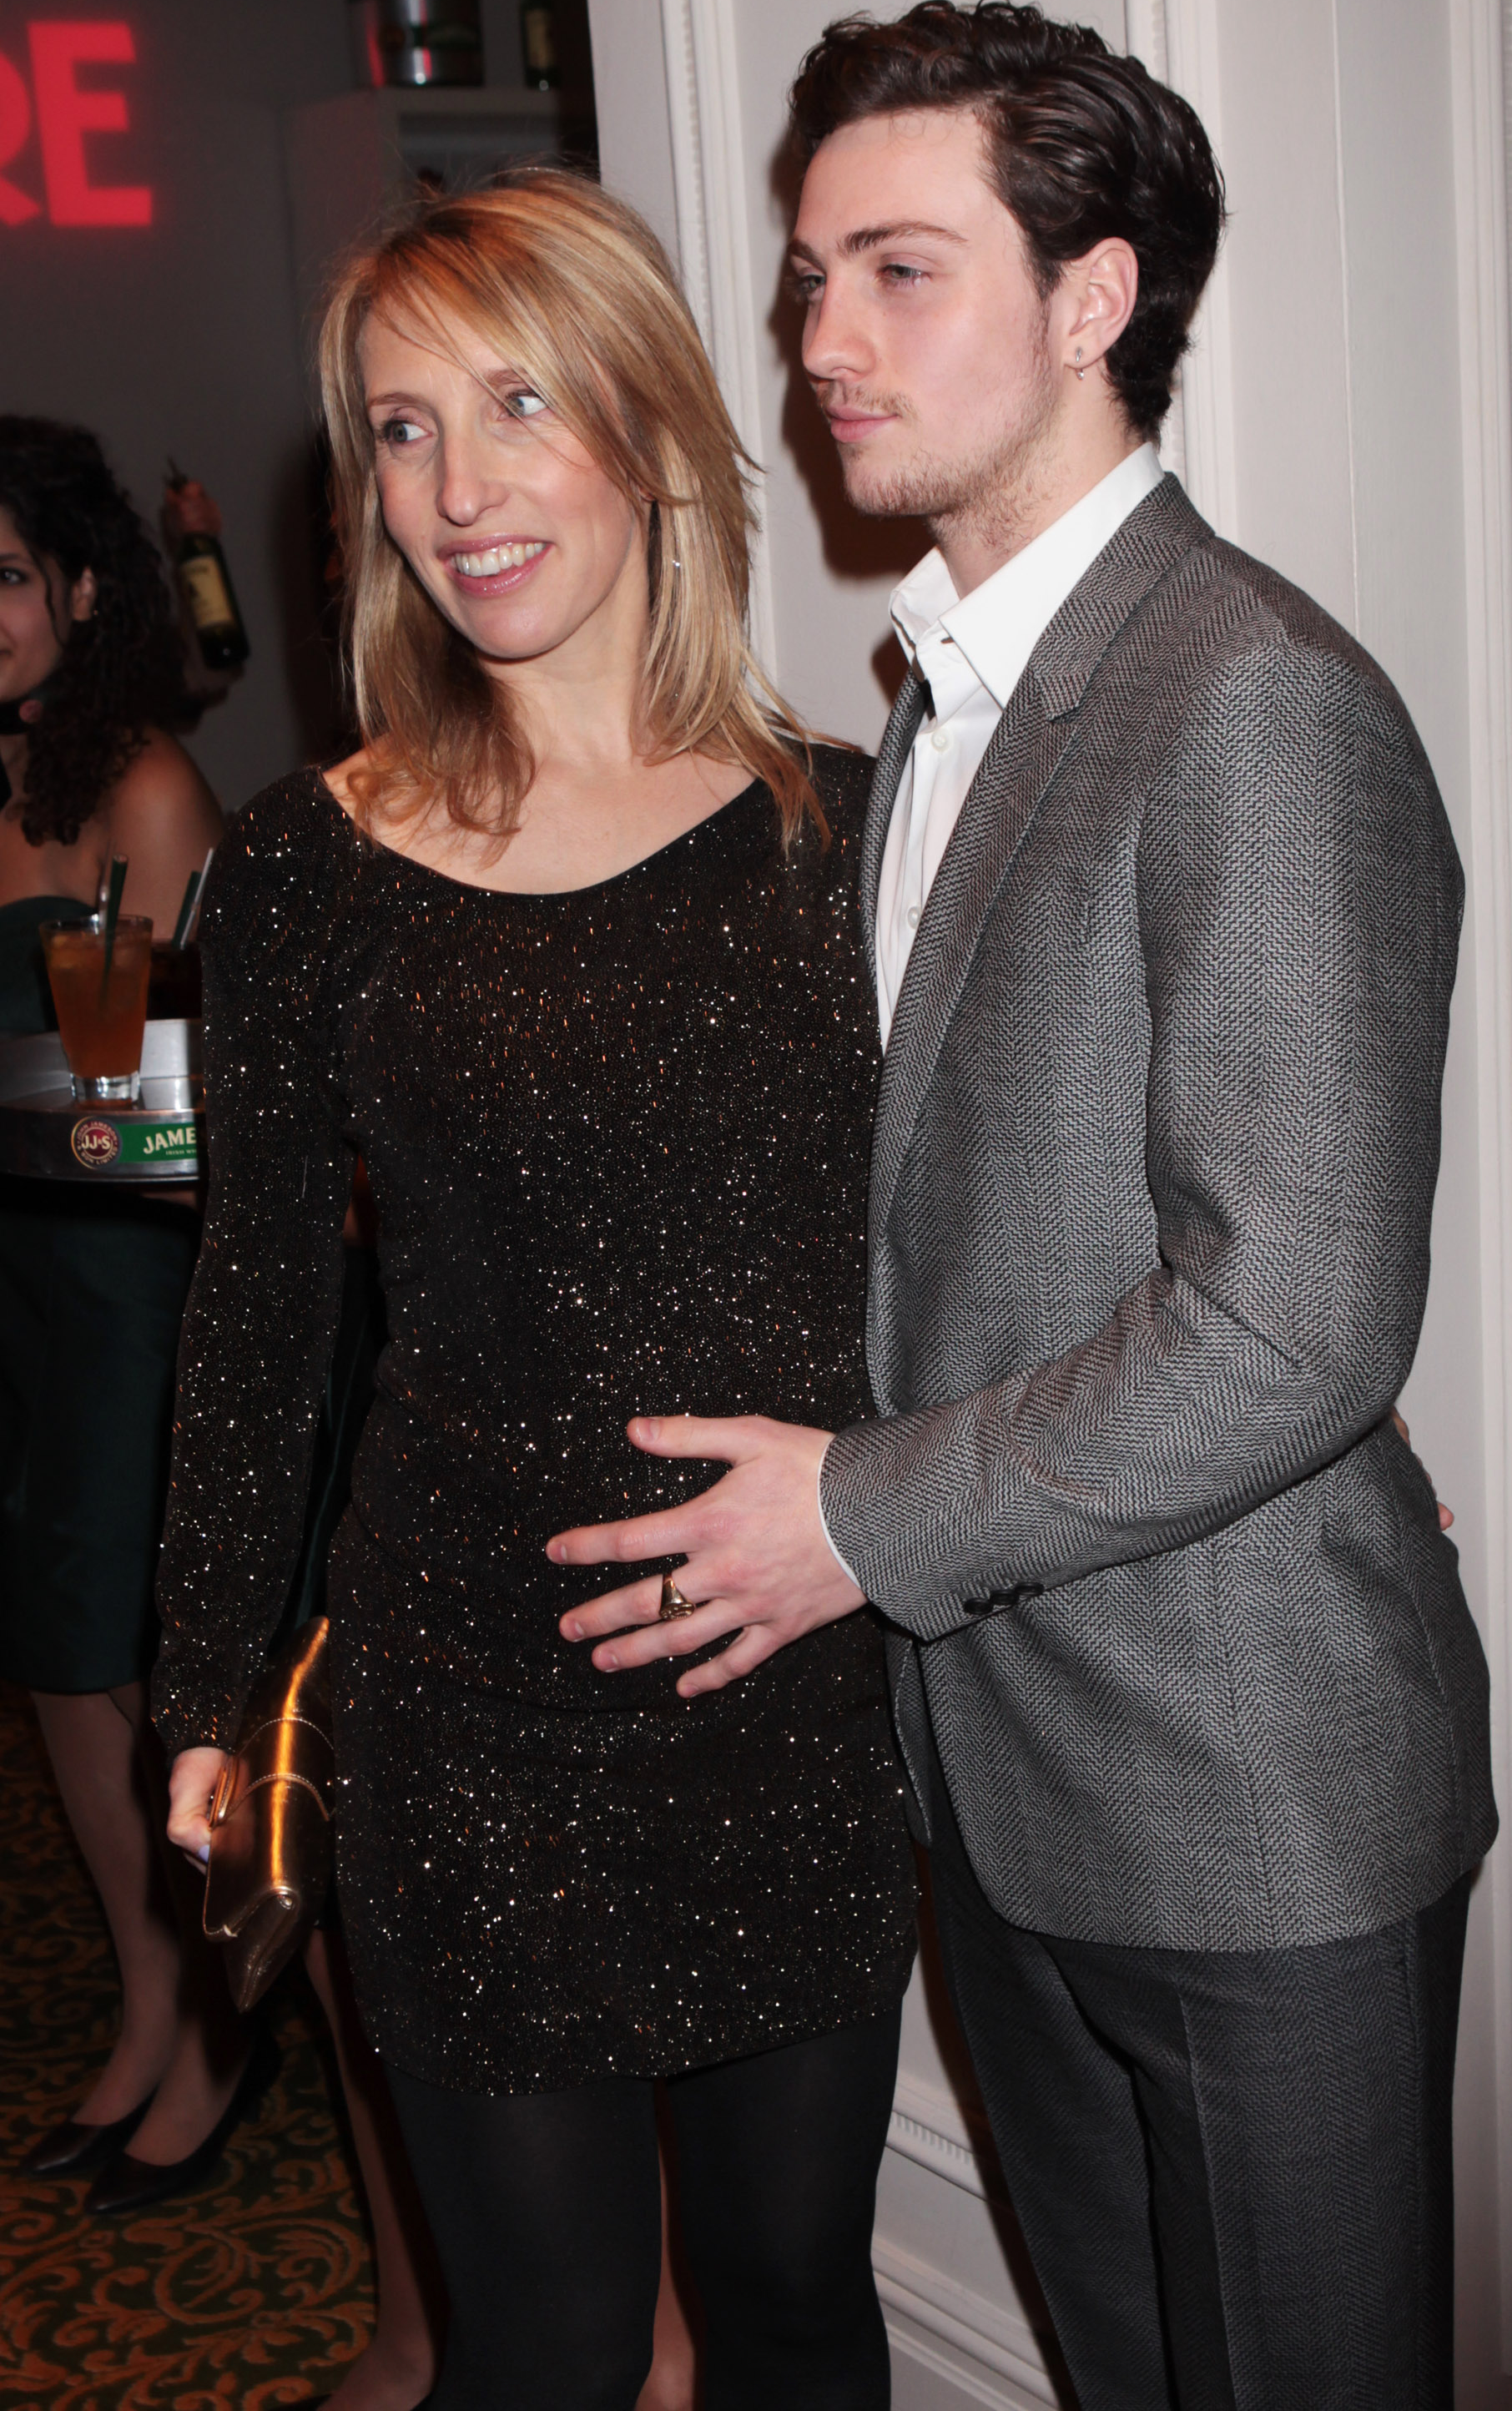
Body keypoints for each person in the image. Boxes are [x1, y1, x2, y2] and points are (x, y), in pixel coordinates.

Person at [552, 0, 1499, 2411]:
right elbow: (958, 1223)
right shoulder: (933, 720)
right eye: (804, 280)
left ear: (1093, 301)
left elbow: (1294, 1319)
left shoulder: (1252, 694)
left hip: (1251, 1798)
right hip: (1000, 1779)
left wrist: (860, 1521)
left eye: (896, 273)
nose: (816, 347)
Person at [156, 170, 917, 2411]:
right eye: (399, 430)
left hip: (789, 1688)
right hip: (465, 1719)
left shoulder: (842, 830)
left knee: (793, 2312)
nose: (459, 489)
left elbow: (996, 1235)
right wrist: (206, 1688)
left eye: (513, 405)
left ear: (652, 431)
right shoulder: (307, 865)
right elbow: (262, 1307)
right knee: (549, 2351)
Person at [0, 417, 265, 2213]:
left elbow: (142, 1121)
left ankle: (227, 2032)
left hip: (117, 1293)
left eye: (3, 578)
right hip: (6, 1293)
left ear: (82, 594)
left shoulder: (139, 796)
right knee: (53, 1671)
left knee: (141, 1664)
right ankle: (146, 1993)